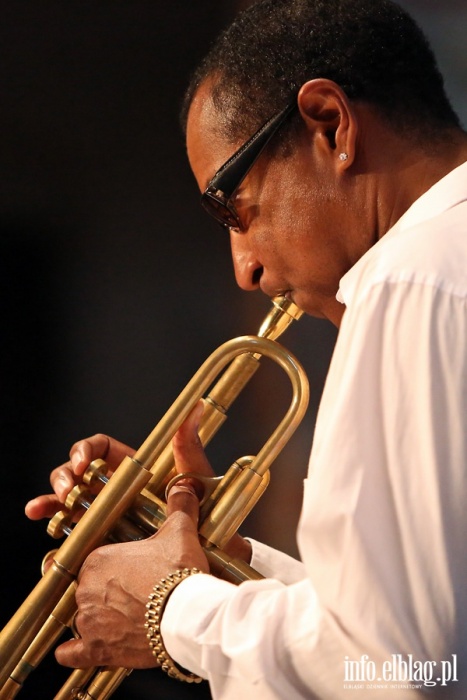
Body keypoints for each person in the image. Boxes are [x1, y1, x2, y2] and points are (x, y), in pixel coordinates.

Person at [24, 0, 467, 697]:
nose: (244, 267)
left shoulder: (411, 278)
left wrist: (174, 610)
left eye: (233, 208)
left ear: (329, 123)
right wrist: (220, 562)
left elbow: (402, 669)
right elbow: (432, 634)